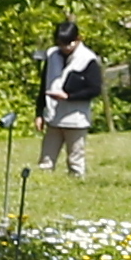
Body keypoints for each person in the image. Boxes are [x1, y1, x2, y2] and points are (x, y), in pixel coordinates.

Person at [35, 25, 102, 182]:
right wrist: (39, 113)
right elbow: (44, 85)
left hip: (76, 119)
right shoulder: (52, 55)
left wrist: (69, 96)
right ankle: (42, 184)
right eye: (61, 44)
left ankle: (76, 184)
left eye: (68, 43)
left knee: (75, 160)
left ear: (78, 39)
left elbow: (95, 89)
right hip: (53, 117)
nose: (65, 48)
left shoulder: (88, 59)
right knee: (46, 160)